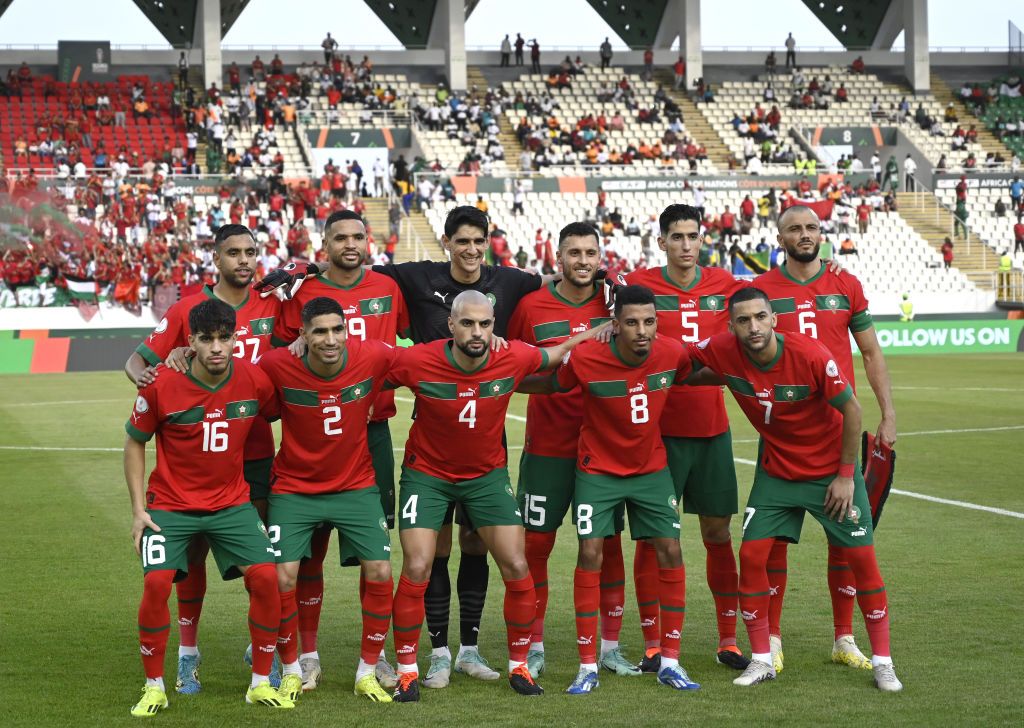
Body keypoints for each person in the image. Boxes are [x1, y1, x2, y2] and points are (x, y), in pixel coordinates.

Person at [686, 287, 903, 692]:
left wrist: (843, 475)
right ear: (731, 326)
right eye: (744, 320)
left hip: (830, 474)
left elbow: (853, 410)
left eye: (760, 317)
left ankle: (883, 663)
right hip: (777, 473)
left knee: (862, 561)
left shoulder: (810, 354)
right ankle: (762, 659)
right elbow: (678, 357)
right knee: (752, 555)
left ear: (774, 318)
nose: (754, 326)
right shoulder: (721, 348)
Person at [385, 290, 595, 700]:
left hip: (485, 477)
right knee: (417, 564)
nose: (476, 331)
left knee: (517, 564)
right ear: (451, 325)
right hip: (427, 475)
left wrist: (608, 327)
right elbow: (369, 360)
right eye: (467, 323)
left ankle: (519, 667)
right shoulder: (419, 360)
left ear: (493, 326)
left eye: (484, 324)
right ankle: (408, 670)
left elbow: (558, 354)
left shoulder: (512, 356)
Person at [124, 225, 283, 695]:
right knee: (188, 560)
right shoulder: (185, 310)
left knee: (271, 567)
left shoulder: (274, 303)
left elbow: (301, 351)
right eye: (233, 252)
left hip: (255, 456)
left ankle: (268, 655)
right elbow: (136, 363)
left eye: (250, 252)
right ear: (215, 258)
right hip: (191, 454)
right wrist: (158, 378)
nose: (243, 260)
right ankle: (187, 653)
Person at [518, 285, 701, 693]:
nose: (642, 331)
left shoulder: (672, 353)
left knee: (670, 548)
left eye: (649, 322)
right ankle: (587, 666)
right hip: (597, 470)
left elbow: (706, 368)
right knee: (590, 551)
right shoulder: (585, 357)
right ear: (614, 325)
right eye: (631, 322)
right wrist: (496, 380)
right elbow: (551, 384)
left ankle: (671, 660)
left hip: (651, 469)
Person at [269, 210, 410, 691]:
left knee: (377, 556)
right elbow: (278, 347)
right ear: (323, 243)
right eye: (339, 238)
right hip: (311, 433)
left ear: (367, 241)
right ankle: (302, 654)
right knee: (304, 559)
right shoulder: (302, 290)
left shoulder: (388, 287)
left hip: (371, 431)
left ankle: (377, 655)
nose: (350, 244)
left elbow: (414, 346)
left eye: (357, 236)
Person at [756, 205, 896, 675]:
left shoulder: (846, 284)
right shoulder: (763, 293)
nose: (804, 234)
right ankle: (771, 641)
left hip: (840, 434)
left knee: (846, 541)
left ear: (822, 234)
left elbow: (872, 352)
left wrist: (888, 414)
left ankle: (843, 637)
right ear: (779, 238)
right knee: (773, 541)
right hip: (781, 435)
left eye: (811, 227)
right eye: (794, 228)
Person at [625, 205, 749, 672]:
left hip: (712, 431)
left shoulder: (727, 287)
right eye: (675, 236)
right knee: (653, 540)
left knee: (718, 535)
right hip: (657, 434)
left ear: (702, 240)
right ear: (661, 242)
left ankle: (728, 639)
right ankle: (653, 643)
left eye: (692, 236)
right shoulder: (637, 285)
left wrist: (830, 265)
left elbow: (771, 296)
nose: (685, 244)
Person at [506, 223, 632, 679]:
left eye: (590, 252)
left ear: (601, 256)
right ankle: (533, 644)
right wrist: (558, 379)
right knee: (535, 545)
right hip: (548, 448)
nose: (582, 260)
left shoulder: (617, 302)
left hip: (605, 448)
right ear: (557, 256)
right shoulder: (531, 306)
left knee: (607, 545)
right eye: (573, 252)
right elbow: (515, 370)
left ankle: (611, 647)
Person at [259, 297, 398, 704]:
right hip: (294, 489)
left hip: (355, 487)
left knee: (379, 568)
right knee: (282, 576)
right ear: (303, 335)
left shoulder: (371, 355)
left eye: (337, 329)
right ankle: (295, 666)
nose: (330, 338)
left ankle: (369, 670)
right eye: (319, 331)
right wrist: (178, 352)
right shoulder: (276, 364)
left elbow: (425, 358)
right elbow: (231, 375)